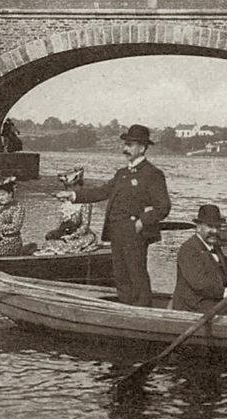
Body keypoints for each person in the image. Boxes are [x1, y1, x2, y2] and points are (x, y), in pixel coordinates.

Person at [56, 124, 170, 306]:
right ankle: (126, 309)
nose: (125, 149)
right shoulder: (122, 173)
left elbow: (163, 207)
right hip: (116, 232)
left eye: (130, 145)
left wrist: (142, 222)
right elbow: (101, 192)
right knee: (120, 275)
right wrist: (72, 195)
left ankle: (142, 313)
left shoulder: (153, 174)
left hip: (135, 233)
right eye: (125, 144)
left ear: (142, 148)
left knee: (136, 274)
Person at [172, 205, 227, 315]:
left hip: (210, 299)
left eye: (218, 227)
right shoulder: (188, 249)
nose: (215, 231)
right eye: (210, 226)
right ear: (198, 227)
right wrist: (225, 292)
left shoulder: (214, 246)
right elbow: (199, 283)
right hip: (192, 305)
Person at [37, 168, 97, 255]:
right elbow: (62, 223)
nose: (69, 190)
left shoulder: (85, 202)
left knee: (63, 245)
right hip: (66, 234)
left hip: (83, 236)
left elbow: (85, 225)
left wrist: (71, 236)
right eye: (67, 187)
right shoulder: (65, 202)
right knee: (49, 242)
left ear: (79, 186)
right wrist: (59, 233)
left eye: (72, 187)